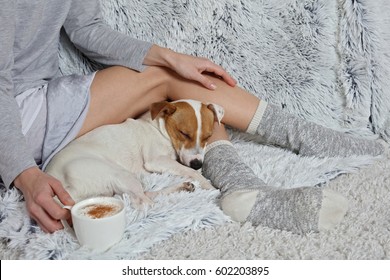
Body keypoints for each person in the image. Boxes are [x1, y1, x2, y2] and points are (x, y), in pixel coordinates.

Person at [0, 0, 384, 235]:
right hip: (14, 112)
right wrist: (27, 174)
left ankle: (254, 179)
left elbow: (87, 29)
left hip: (41, 98)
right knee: (169, 79)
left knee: (175, 72)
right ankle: (247, 179)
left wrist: (171, 56)